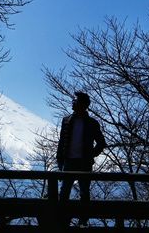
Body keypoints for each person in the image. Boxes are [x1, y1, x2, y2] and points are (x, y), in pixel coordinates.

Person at [57, 91, 106, 227]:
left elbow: (101, 142)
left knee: (84, 193)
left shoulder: (92, 123)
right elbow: (61, 142)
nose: (73, 102)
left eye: (76, 101)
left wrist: (91, 155)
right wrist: (60, 160)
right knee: (64, 192)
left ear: (83, 105)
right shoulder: (66, 120)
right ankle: (63, 221)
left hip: (83, 163)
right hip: (69, 161)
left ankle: (82, 221)